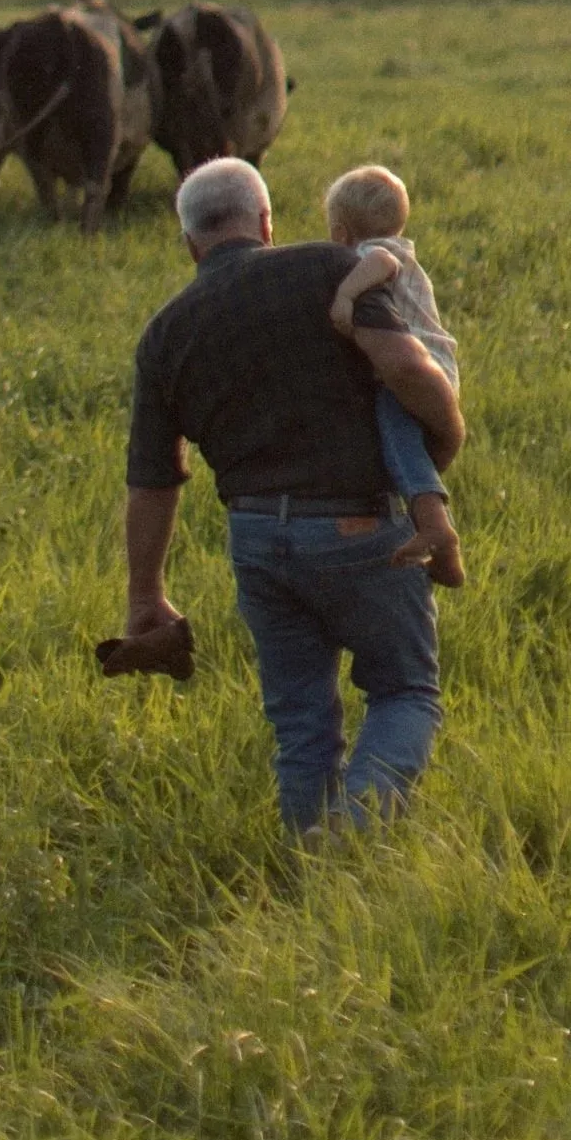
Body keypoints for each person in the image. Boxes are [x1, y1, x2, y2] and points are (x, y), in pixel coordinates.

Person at [122, 155, 465, 830]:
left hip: (256, 542)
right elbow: (403, 364)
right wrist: (448, 432)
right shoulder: (330, 268)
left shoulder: (164, 333)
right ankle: (354, 831)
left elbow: (152, 481)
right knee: (404, 691)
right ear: (266, 222)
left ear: (190, 243)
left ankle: (311, 858)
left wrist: (144, 595)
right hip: (361, 529)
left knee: (301, 723)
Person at [325, 162, 465, 588]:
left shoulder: (376, 253)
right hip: (434, 364)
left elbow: (379, 262)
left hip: (420, 367)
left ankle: (436, 527)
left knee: (398, 436)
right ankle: (439, 545)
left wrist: (345, 294)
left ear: (341, 233)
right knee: (403, 442)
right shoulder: (405, 253)